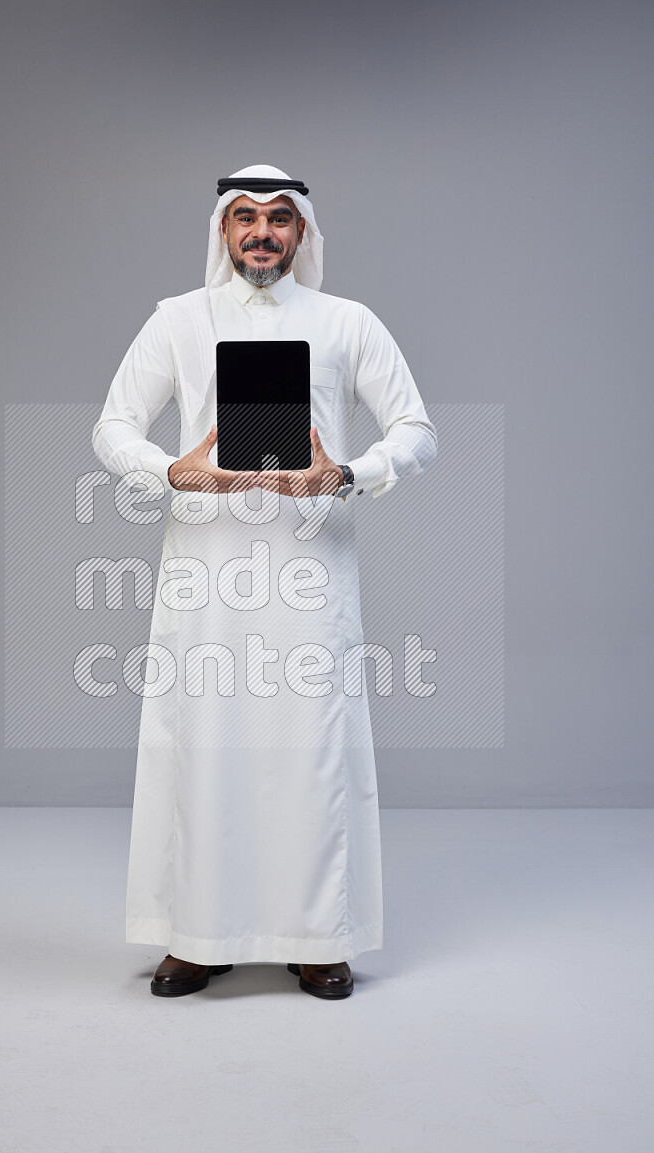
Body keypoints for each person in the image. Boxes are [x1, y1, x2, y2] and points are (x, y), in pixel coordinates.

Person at [91, 164, 437, 999]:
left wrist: (345, 473)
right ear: (222, 230)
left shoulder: (347, 322)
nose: (261, 233)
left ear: (304, 233)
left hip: (311, 569)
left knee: (309, 752)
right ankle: (196, 936)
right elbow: (111, 428)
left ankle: (317, 936)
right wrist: (174, 472)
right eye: (244, 217)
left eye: (280, 219)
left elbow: (417, 431)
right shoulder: (178, 320)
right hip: (205, 573)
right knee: (204, 746)